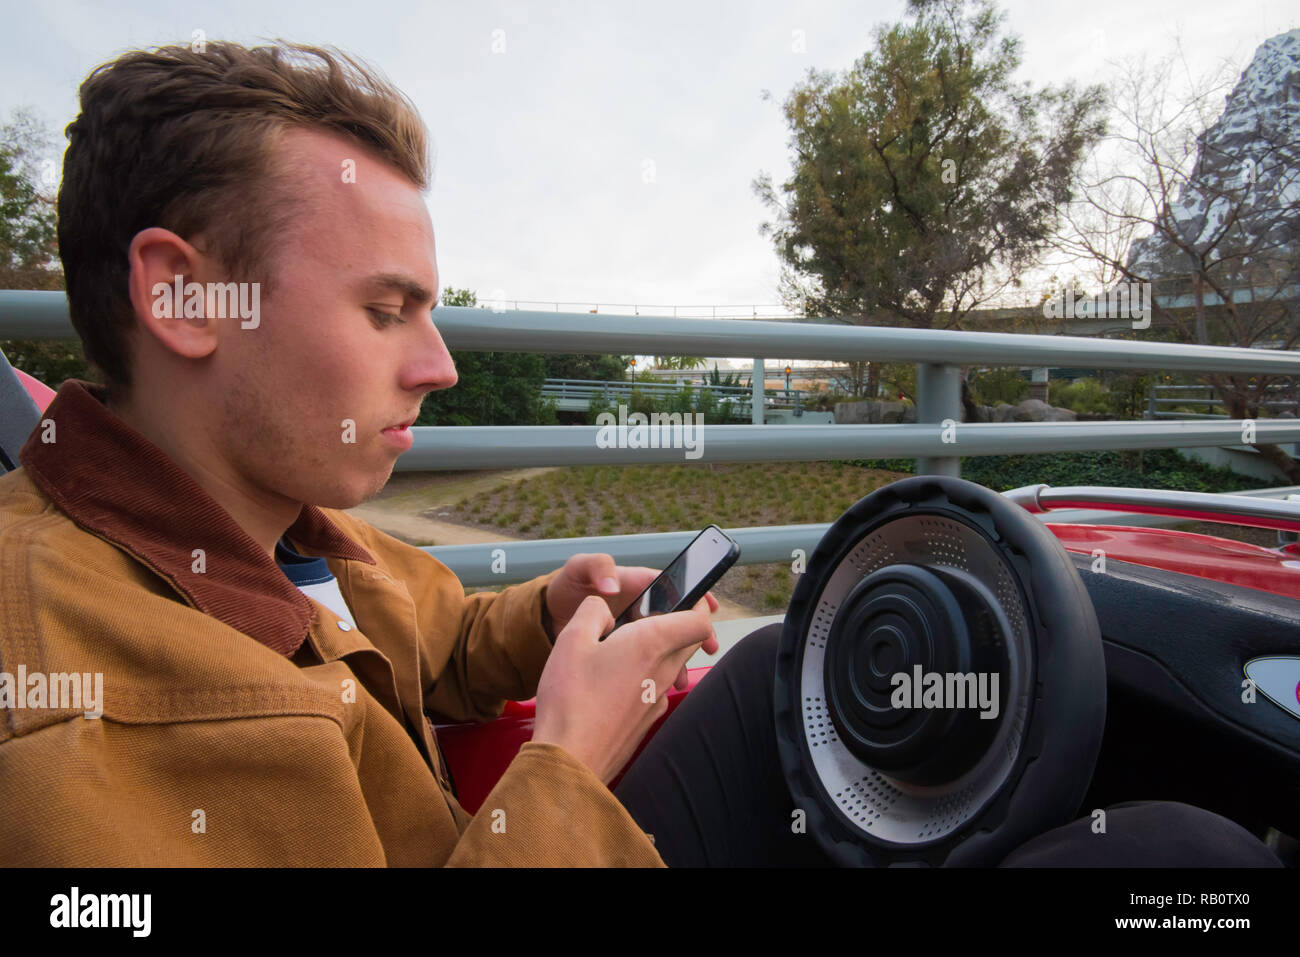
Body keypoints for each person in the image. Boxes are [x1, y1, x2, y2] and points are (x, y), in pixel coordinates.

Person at [0, 39, 1280, 868]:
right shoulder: (93, 725)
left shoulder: (269, 524)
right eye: (386, 310)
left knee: (787, 659)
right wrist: (563, 764)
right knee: (1182, 861)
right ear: (185, 301)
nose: (440, 365)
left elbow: (424, 633)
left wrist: (547, 611)